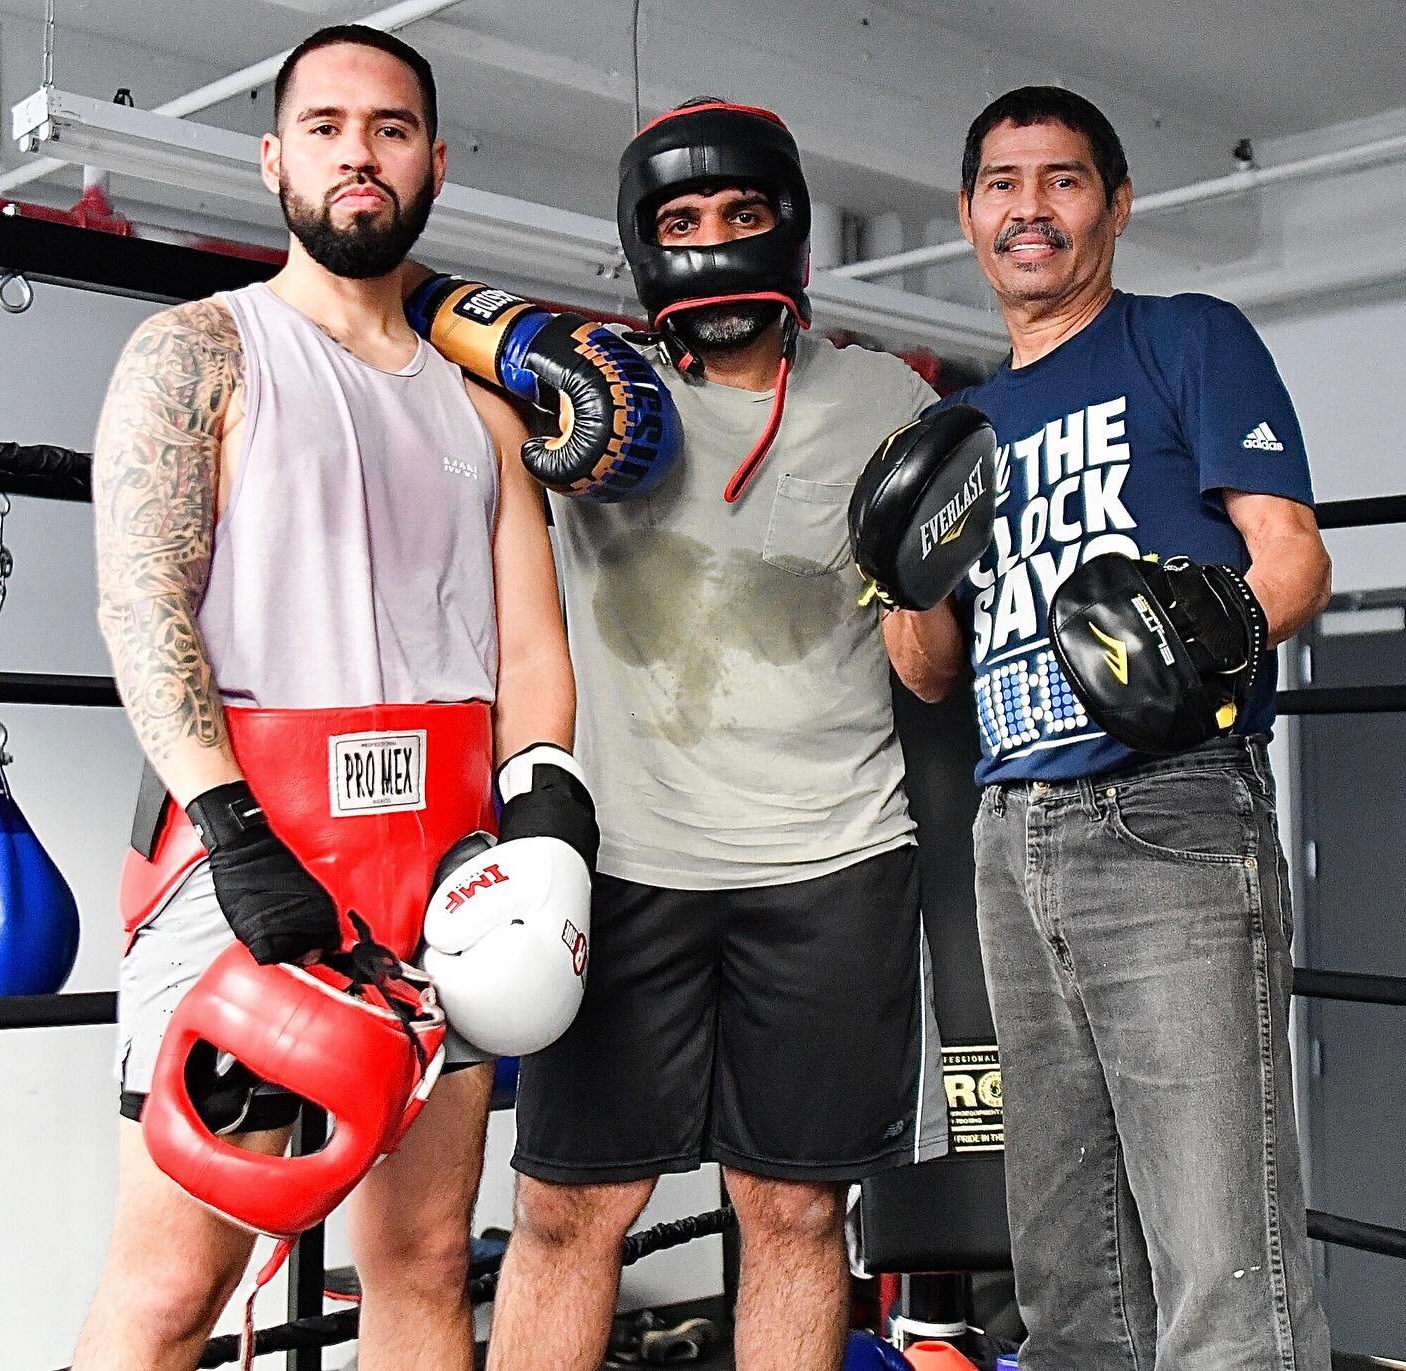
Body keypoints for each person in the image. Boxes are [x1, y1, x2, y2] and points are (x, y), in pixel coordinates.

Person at [76, 26, 578, 1371]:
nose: (360, 151)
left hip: (443, 868)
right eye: (326, 125)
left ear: (434, 163)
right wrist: (233, 828)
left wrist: (548, 828)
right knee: (176, 1284)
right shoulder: (198, 351)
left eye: (393, 127)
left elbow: (528, 649)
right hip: (244, 852)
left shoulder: (481, 415)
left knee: (417, 1261)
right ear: (274, 158)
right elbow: (142, 605)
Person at [470, 101, 951, 1371]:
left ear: (790, 227)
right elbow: (406, 311)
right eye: (680, 222)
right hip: (626, 862)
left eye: (744, 215)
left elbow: (929, 671)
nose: (715, 244)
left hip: (835, 859)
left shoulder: (886, 397)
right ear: (641, 241)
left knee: (795, 1210)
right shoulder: (581, 399)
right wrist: (519, 345)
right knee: (570, 1210)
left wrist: (930, 566)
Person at [885, 86, 1333, 1369]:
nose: (1033, 209)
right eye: (1004, 184)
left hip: (1168, 806)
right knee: (1070, 1266)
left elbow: (1291, 561)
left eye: (1065, 180)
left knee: (1218, 1250)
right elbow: (925, 674)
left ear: (1116, 206)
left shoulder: (1185, 339)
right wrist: (894, 562)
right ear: (971, 215)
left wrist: (1205, 639)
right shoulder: (950, 432)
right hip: (1010, 832)